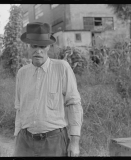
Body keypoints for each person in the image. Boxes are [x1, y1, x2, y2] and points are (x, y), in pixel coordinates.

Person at [13, 22, 83, 157]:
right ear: (28, 47)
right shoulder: (22, 73)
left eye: (42, 46)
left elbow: (74, 104)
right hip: (25, 140)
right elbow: (19, 109)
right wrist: (17, 138)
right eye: (34, 46)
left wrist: (74, 143)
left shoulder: (62, 68)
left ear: (49, 47)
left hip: (54, 141)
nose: (38, 50)